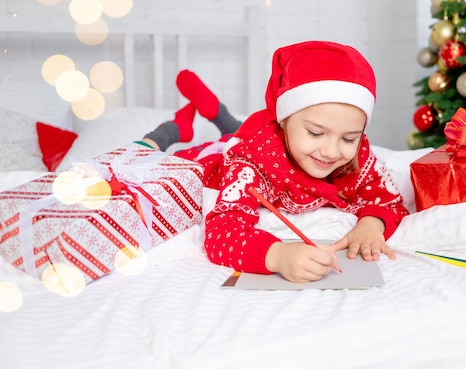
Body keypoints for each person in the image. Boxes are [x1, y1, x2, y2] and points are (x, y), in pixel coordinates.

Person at [139, 40, 409, 283]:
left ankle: (219, 115)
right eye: (315, 133)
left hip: (263, 138)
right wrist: (277, 255)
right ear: (283, 120)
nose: (330, 151)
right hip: (216, 160)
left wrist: (372, 224)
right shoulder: (252, 162)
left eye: (349, 138)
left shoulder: (357, 158)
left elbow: (388, 200)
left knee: (236, 131)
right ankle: (172, 130)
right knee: (144, 157)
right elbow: (222, 233)